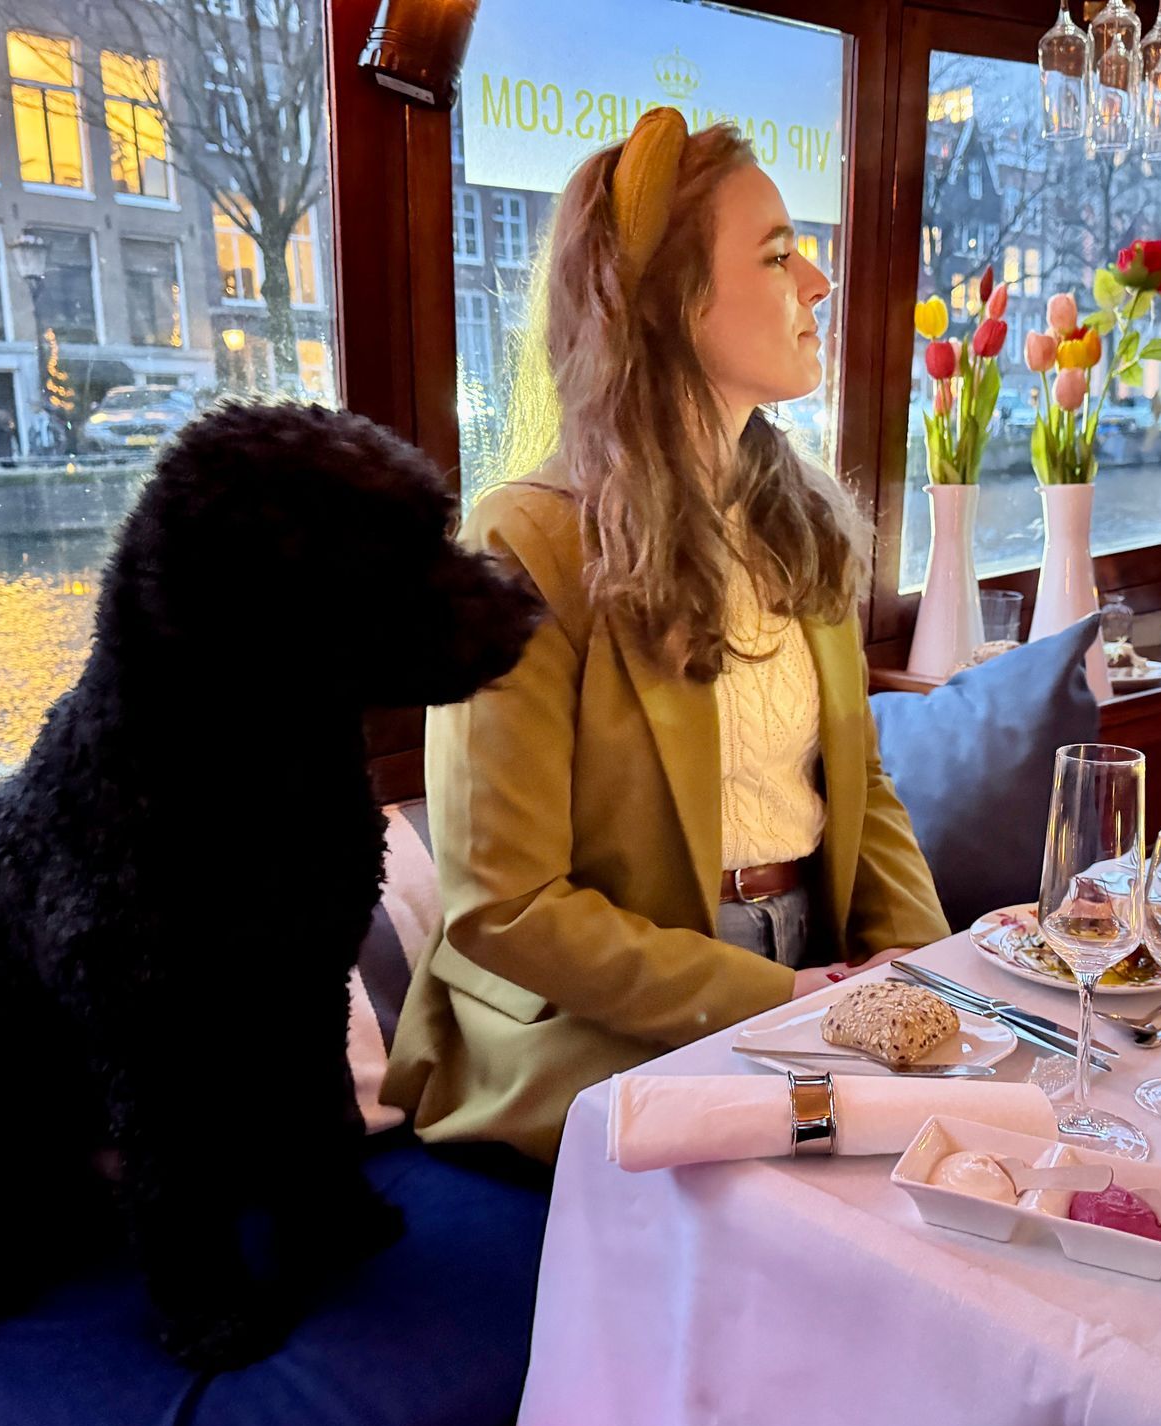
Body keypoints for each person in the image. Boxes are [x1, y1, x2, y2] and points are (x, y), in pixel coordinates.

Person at [383, 111, 948, 1163]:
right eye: (780, 255)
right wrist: (773, 993)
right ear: (669, 302)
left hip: (809, 980)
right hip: (600, 1033)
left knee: (965, 1171)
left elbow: (864, 801)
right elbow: (505, 906)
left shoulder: (801, 520)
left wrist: (926, 980)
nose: (819, 284)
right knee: (807, 1222)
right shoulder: (527, 541)